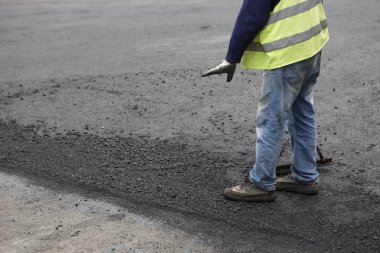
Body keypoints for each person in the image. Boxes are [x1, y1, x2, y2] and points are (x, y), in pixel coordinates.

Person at [201, 0, 329, 202]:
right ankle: (305, 175)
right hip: (311, 43)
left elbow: (252, 15)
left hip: (287, 52)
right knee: (302, 111)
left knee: (271, 117)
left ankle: (261, 182)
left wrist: (231, 57)